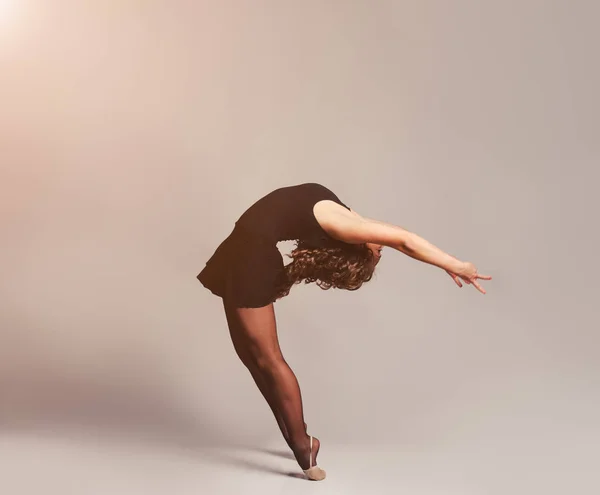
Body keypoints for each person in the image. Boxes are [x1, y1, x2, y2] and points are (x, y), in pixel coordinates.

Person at [197, 182, 491, 480]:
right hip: (242, 251)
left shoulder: (344, 226)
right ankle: (294, 435)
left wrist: (456, 265)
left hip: (250, 257)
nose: (381, 249)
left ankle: (303, 445)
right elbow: (393, 237)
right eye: (379, 253)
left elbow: (404, 240)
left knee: (268, 360)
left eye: (376, 254)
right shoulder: (349, 217)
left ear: (358, 245)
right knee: (251, 358)